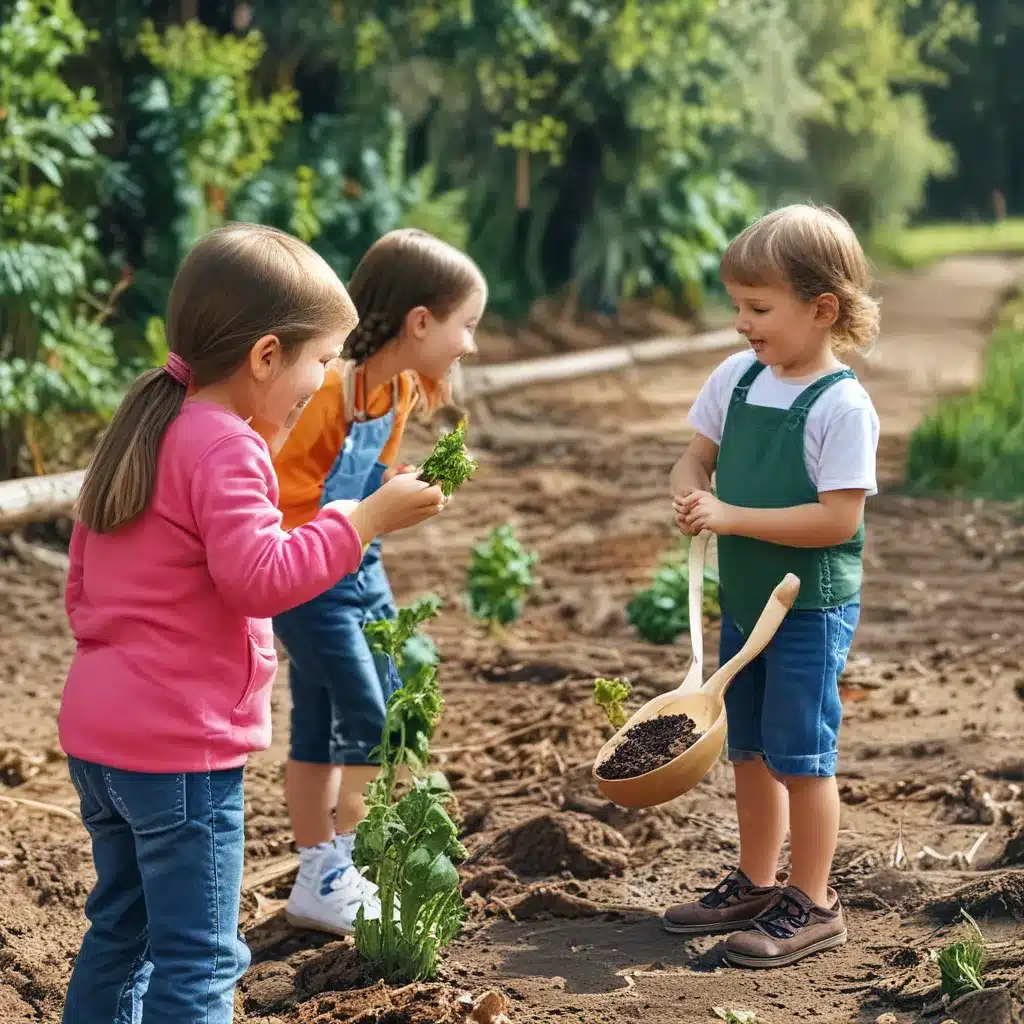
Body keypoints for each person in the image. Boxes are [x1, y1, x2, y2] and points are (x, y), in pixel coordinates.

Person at [57, 223, 447, 1023]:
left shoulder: (146, 429)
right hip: (180, 755)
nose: (321, 384)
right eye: (315, 366)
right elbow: (259, 580)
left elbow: (81, 592)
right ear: (266, 355)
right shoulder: (227, 447)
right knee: (199, 963)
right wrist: (362, 520)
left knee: (120, 935)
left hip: (99, 741)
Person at [664, 204, 880, 968]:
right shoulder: (739, 377)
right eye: (737, 307)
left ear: (822, 310)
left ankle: (814, 899)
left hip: (808, 609)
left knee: (802, 756)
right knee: (748, 748)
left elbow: (836, 522)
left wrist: (733, 514)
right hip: (746, 603)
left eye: (759, 308)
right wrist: (692, 493)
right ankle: (757, 882)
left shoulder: (843, 406)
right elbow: (695, 459)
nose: (741, 324)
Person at [256, 228, 487, 936]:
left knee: (326, 720)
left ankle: (319, 873)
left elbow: (378, 481)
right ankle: (351, 865)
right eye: (466, 326)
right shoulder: (328, 390)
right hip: (307, 575)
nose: (470, 345)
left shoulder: (401, 389)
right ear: (421, 321)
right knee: (373, 721)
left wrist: (406, 494)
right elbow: (285, 499)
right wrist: (365, 518)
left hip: (364, 570)